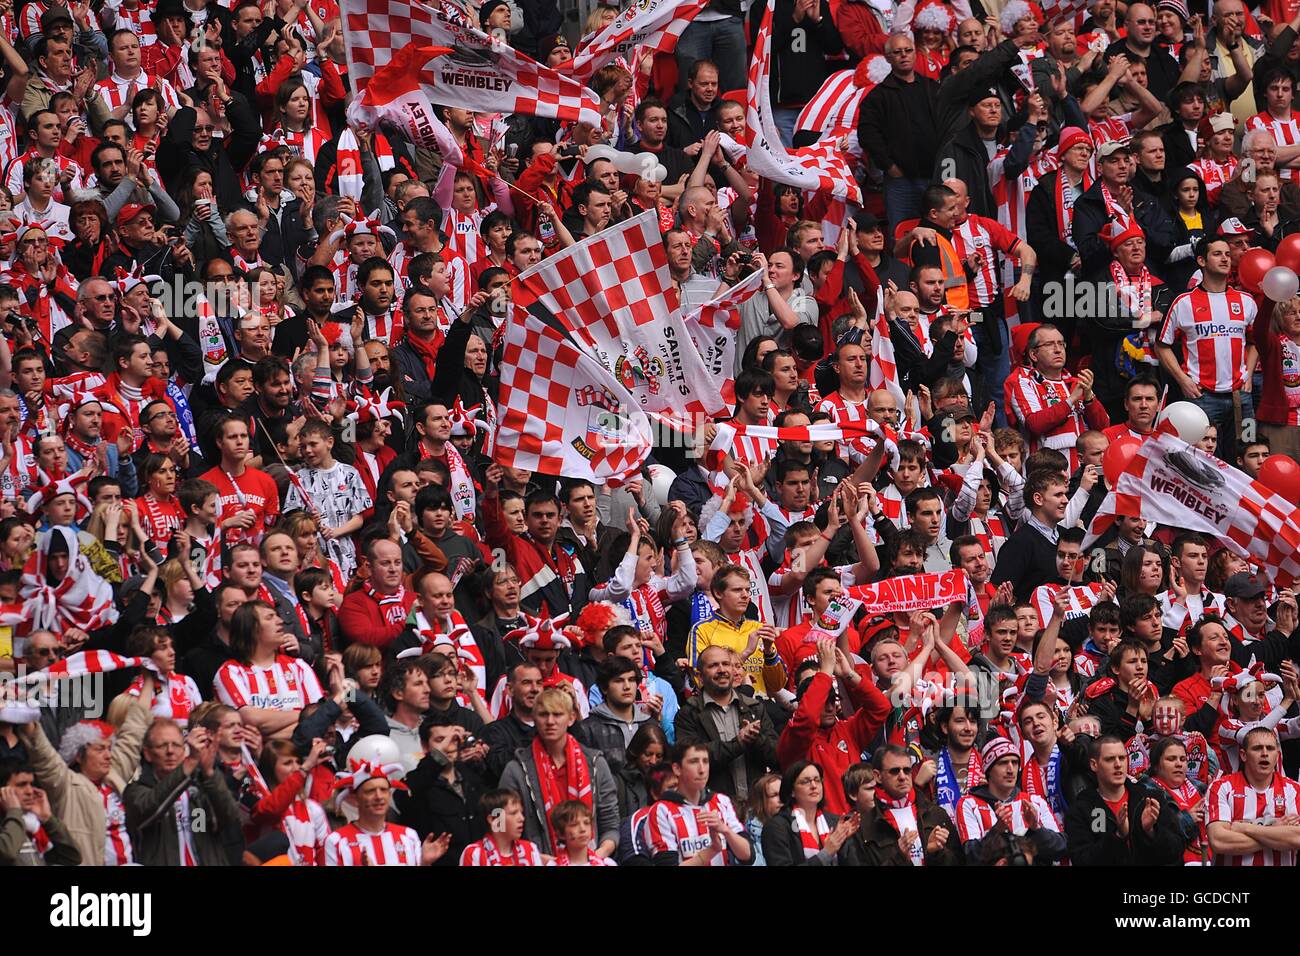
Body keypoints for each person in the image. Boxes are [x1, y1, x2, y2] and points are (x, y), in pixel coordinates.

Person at [498, 686, 620, 857]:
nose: (550, 721)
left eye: (557, 714)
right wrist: (535, 858)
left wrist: (594, 858)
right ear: (534, 718)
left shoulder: (596, 764)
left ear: (571, 718)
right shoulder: (516, 769)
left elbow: (611, 824)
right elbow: (498, 822)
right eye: (543, 714)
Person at [122, 718, 244, 866]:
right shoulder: (137, 790)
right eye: (162, 745)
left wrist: (209, 774)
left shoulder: (200, 786)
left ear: (183, 750)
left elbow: (229, 818)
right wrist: (191, 762)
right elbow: (150, 808)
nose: (170, 751)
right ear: (147, 754)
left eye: (176, 745)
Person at [1064, 735, 1188, 865]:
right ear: (1094, 765)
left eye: (1122, 758)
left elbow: (1176, 851)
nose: (1118, 765)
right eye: (1110, 759)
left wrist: (1151, 831)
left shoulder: (1150, 799)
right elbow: (1082, 860)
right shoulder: (1083, 809)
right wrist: (1118, 836)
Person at [846, 744, 963, 866]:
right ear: (878, 776)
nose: (902, 777)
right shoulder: (864, 826)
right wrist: (899, 858)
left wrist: (936, 853)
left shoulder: (936, 814)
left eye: (907, 770)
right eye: (894, 771)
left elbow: (959, 861)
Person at [324, 760, 448, 866]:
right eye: (370, 791)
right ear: (356, 798)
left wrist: (424, 863)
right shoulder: (336, 841)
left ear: (389, 795)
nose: (378, 796)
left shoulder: (408, 836)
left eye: (383, 790)